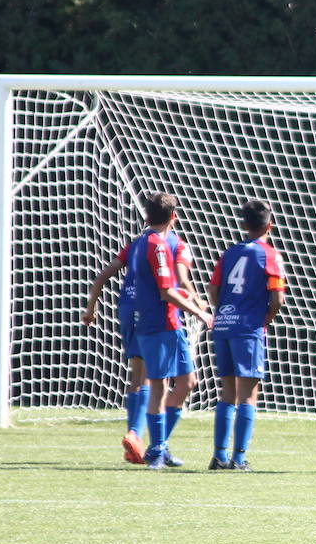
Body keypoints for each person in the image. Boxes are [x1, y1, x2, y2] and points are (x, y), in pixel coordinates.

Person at [82, 194, 202, 465]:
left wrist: (91, 307)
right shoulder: (170, 244)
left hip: (129, 308)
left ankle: (138, 435)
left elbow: (104, 274)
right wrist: (197, 303)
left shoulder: (136, 244)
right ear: (174, 216)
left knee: (143, 377)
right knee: (157, 382)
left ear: (146, 217)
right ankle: (152, 445)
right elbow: (178, 282)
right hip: (158, 315)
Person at [123, 192, 214, 470]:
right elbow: (165, 292)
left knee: (188, 382)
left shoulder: (142, 244)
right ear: (173, 217)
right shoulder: (157, 246)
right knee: (159, 387)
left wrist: (191, 301)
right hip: (158, 325)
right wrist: (199, 310)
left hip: (167, 324)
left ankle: (157, 445)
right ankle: (156, 450)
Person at [206, 199, 286, 472]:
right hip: (248, 328)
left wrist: (225, 311)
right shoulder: (270, 254)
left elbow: (213, 289)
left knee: (227, 392)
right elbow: (277, 299)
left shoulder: (229, 253)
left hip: (224, 325)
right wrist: (265, 319)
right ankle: (239, 459)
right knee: (249, 395)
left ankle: (218, 457)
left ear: (243, 225)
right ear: (270, 226)